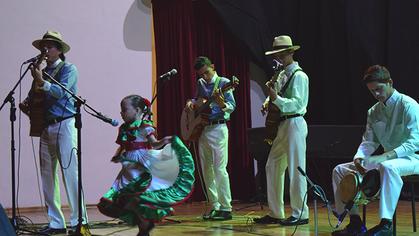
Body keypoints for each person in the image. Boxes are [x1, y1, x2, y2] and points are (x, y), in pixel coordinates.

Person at [331, 65, 419, 236]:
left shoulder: (408, 105)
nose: (376, 94)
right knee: (340, 170)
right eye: (372, 91)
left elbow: (415, 142)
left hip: (411, 158)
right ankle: (355, 222)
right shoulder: (373, 111)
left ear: (390, 82)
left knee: (388, 167)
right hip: (385, 159)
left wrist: (388, 155)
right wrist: (359, 157)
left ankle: (386, 224)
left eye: (379, 89)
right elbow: (369, 141)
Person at [20, 30, 89, 235]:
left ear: (59, 50)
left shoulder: (69, 69)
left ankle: (80, 221)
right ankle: (56, 223)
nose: (45, 50)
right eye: (44, 46)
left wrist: (42, 81)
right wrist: (27, 104)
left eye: (49, 46)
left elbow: (61, 93)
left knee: (71, 173)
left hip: (65, 124)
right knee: (48, 175)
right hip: (45, 126)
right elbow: (35, 98)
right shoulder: (39, 73)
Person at [98, 95, 195, 236]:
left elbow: (155, 144)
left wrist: (166, 141)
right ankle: (144, 226)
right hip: (128, 167)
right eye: (121, 110)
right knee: (125, 198)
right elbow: (123, 146)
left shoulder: (145, 127)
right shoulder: (123, 129)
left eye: (124, 110)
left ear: (137, 110)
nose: (121, 113)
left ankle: (145, 226)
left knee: (139, 196)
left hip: (142, 164)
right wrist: (118, 154)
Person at [254, 35, 310, 226]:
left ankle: (300, 213)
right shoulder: (281, 74)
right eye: (276, 53)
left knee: (296, 168)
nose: (277, 57)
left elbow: (298, 104)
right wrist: (268, 102)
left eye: (281, 53)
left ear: (290, 52)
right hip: (283, 124)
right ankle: (276, 212)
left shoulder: (299, 76)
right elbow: (277, 97)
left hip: (294, 123)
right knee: (272, 165)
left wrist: (276, 99)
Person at [185, 56, 236, 220]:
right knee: (207, 169)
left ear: (213, 67)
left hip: (219, 128)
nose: (205, 77)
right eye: (201, 74)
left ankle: (226, 207)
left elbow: (232, 107)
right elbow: (197, 99)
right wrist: (191, 102)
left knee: (220, 168)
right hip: (203, 129)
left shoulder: (224, 83)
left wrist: (221, 104)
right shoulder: (200, 83)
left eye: (207, 72)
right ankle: (215, 205)